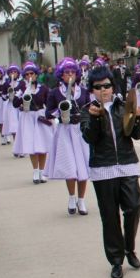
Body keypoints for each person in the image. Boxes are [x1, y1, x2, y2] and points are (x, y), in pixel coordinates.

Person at [81, 66, 140, 278]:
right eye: (98, 87)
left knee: (134, 207)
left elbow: (136, 135)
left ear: (113, 86)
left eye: (106, 86)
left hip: (127, 164)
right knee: (109, 217)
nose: (103, 90)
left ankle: (129, 248)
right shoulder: (86, 110)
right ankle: (116, 261)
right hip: (103, 168)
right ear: (92, 90)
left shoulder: (123, 107)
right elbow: (90, 138)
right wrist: (95, 118)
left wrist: (137, 118)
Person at [44, 57, 92, 215]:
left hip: (80, 130)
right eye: (66, 72)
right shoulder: (55, 92)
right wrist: (59, 114)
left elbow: (89, 108)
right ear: (61, 75)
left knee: (83, 166)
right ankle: (72, 197)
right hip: (64, 131)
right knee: (70, 166)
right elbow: (48, 112)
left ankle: (82, 200)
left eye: (72, 72)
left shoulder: (83, 91)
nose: (70, 75)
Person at [12, 62, 54, 183]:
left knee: (42, 145)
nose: (30, 76)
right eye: (27, 74)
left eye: (32, 73)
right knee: (32, 145)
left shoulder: (44, 88)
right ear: (24, 76)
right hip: (28, 117)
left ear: (36, 75)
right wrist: (23, 94)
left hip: (40, 117)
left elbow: (49, 103)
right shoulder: (22, 88)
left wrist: (50, 116)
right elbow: (15, 104)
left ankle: (42, 171)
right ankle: (35, 171)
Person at [2, 65, 21, 148]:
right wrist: (8, 95)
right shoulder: (6, 84)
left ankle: (21, 146)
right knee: (14, 126)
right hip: (11, 106)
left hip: (20, 106)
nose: (13, 74)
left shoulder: (22, 83)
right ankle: (16, 146)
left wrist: (18, 94)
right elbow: (3, 97)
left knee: (21, 126)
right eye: (11, 72)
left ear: (18, 73)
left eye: (15, 72)